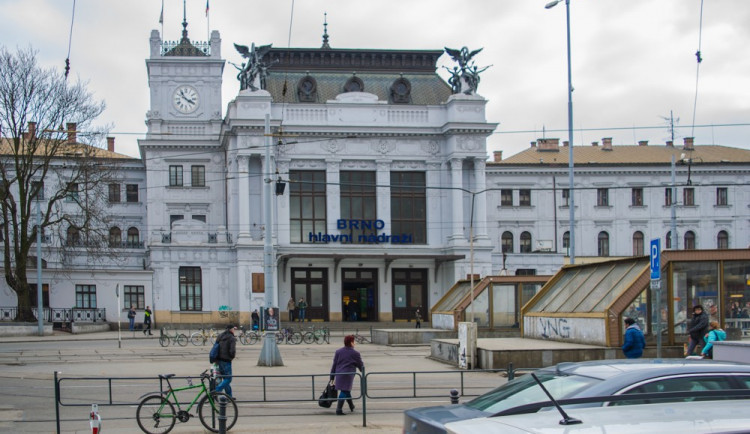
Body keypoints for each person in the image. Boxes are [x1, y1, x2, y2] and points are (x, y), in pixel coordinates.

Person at [330, 335, 364, 415]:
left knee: (346, 390)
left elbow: (334, 365)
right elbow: (360, 364)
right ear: (351, 343)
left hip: (339, 374)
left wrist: (331, 377)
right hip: (348, 374)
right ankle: (339, 409)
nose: (355, 343)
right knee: (344, 390)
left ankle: (351, 406)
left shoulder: (338, 351)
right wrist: (362, 370)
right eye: (354, 341)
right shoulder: (355, 353)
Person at [214, 325, 237, 397]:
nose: (234, 330)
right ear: (231, 329)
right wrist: (231, 357)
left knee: (225, 378)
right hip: (226, 360)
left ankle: (229, 396)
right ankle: (217, 390)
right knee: (228, 379)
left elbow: (215, 347)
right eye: (234, 329)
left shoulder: (220, 336)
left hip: (219, 360)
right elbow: (232, 351)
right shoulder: (232, 338)